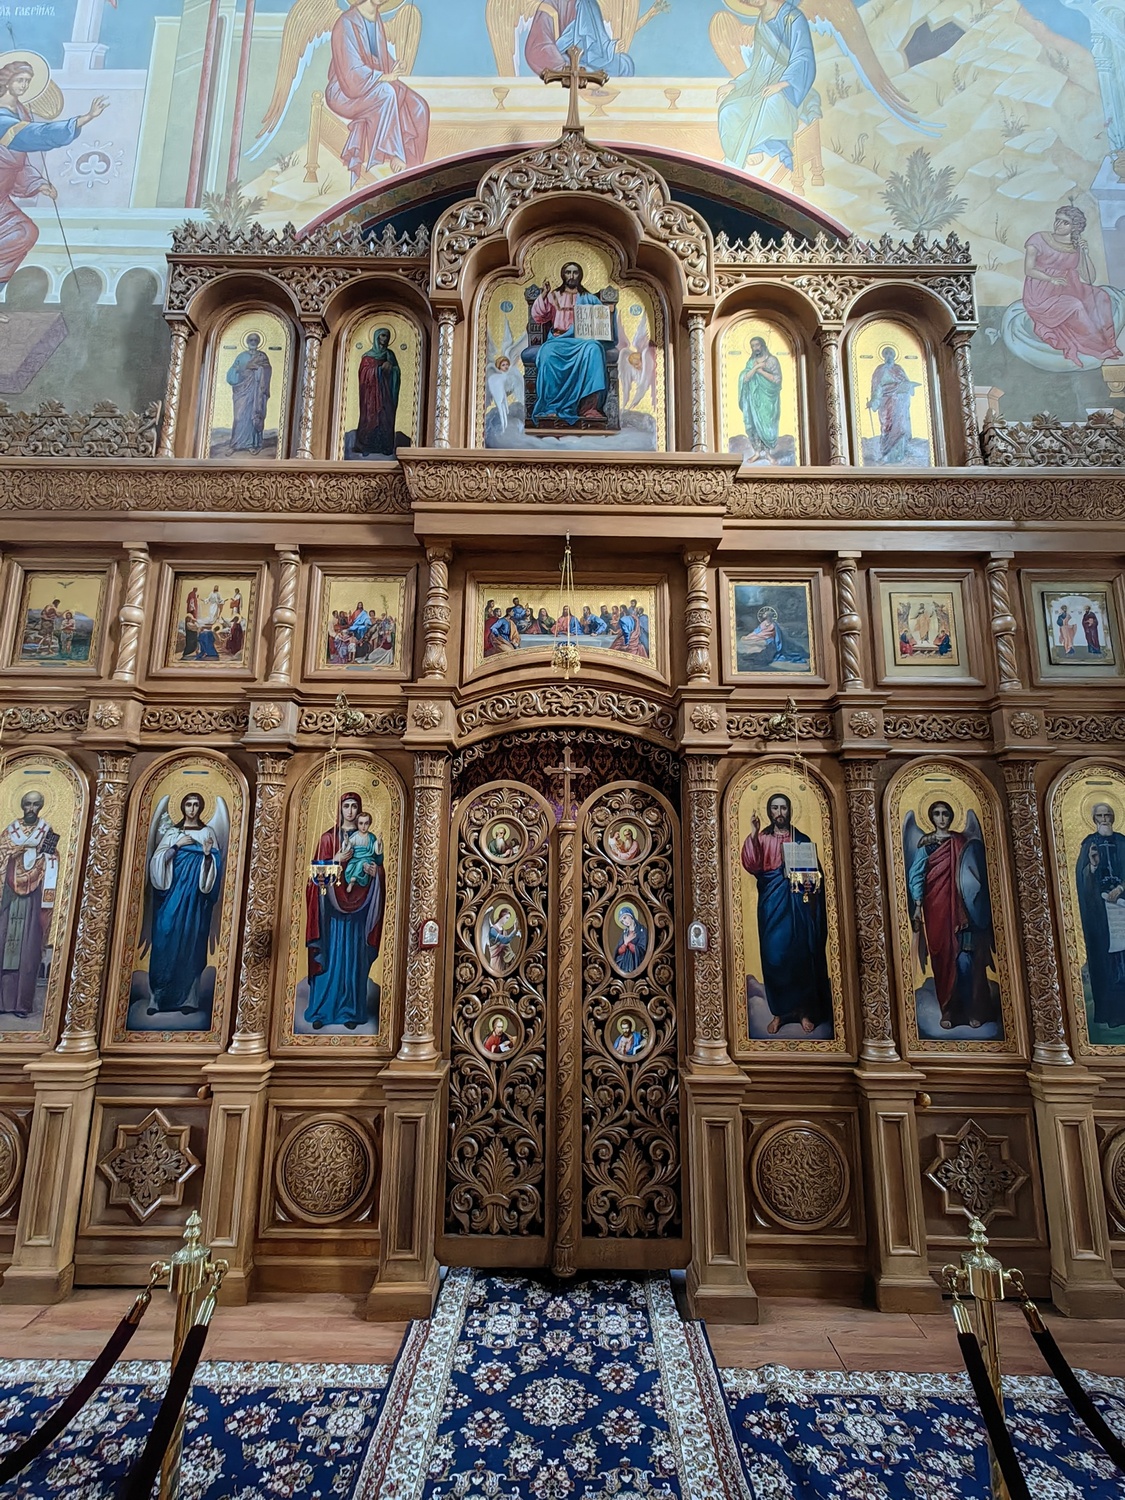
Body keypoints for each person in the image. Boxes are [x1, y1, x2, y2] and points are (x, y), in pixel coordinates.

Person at [0, 61, 107, 306]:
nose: (24, 85)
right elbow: (33, 136)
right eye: (20, 80)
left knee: (25, 232)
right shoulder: (3, 118)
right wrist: (82, 120)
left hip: (2, 197)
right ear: (7, 81)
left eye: (27, 81)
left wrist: (37, 183)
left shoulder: (20, 112)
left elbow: (17, 161)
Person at [741, 792, 832, 1034]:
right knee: (774, 955)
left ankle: (804, 1012)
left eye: (783, 808)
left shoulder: (801, 840)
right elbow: (752, 864)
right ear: (769, 812)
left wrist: (809, 881)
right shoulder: (763, 838)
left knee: (799, 954)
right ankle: (780, 1013)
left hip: (798, 907)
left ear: (790, 810)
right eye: (775, 808)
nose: (779, 813)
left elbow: (815, 875)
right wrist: (753, 833)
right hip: (772, 904)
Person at [906, 801, 999, 1031]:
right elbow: (916, 876)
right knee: (943, 960)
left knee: (967, 959)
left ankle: (974, 1010)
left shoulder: (962, 841)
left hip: (962, 911)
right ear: (931, 817)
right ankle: (949, 1010)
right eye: (937, 814)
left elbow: (974, 872)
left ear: (951, 816)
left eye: (945, 813)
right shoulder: (926, 845)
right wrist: (917, 905)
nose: (941, 818)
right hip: (936, 910)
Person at [326, 0, 429, 183]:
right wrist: (383, 76)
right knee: (387, 92)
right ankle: (395, 153)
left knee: (419, 106)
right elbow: (351, 71)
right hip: (344, 92)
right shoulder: (346, 23)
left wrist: (394, 66)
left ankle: (414, 169)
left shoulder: (376, 19)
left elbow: (378, 58)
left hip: (372, 83)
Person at [305, 794, 385, 1030]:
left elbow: (379, 866)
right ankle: (322, 1010)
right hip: (331, 914)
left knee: (353, 959)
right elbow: (313, 880)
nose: (350, 811)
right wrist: (335, 859)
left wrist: (375, 873)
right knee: (331, 958)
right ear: (339, 809)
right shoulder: (328, 838)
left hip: (358, 913)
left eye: (354, 806)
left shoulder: (368, 839)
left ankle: (352, 1010)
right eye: (346, 806)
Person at [145, 793, 224, 1017]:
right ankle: (156, 998)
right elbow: (157, 863)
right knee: (163, 940)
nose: (192, 808)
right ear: (182, 807)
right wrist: (177, 846)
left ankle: (190, 998)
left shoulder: (208, 833)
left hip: (195, 901)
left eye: (196, 804)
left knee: (192, 943)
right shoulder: (172, 833)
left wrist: (207, 856)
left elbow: (215, 866)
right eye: (188, 804)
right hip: (171, 897)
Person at [717, 0, 816, 172]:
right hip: (761, 86)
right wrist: (734, 84)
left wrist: (782, 84)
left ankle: (757, 147)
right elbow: (756, 67)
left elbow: (803, 57)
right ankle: (739, 155)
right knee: (728, 110)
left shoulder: (793, 18)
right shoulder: (761, 24)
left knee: (771, 102)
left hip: (790, 88)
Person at [1021, 206, 1122, 367]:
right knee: (1074, 305)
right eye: (1058, 220)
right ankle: (1097, 346)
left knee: (1101, 296)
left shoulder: (1076, 246)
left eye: (1065, 222)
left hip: (1069, 287)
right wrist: (1051, 279)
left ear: (1075, 227)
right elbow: (1029, 270)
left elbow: (1089, 277)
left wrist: (1085, 253)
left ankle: (1109, 343)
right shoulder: (1038, 239)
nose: (1058, 225)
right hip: (1040, 292)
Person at [0, 790, 59, 1018]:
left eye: (35, 804)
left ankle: (22, 1005)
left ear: (41, 807)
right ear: (22, 806)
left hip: (32, 901)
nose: (31, 809)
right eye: (28, 804)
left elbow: (53, 857)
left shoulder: (46, 831)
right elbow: (2, 852)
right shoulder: (10, 831)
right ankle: (2, 1002)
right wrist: (13, 854)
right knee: (3, 944)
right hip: (9, 898)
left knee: (28, 950)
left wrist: (43, 858)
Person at [530, 262, 611, 426]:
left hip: (582, 341)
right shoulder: (554, 296)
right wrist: (544, 294)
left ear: (580, 275)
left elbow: (601, 319)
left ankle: (589, 408)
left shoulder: (589, 298)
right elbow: (539, 316)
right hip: (558, 340)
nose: (572, 276)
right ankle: (551, 406)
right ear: (563, 275)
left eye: (575, 273)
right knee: (547, 353)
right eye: (568, 272)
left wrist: (608, 311)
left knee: (594, 349)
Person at [1075, 803, 1125, 1029]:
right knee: (1106, 962)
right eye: (1100, 816)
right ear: (1094, 819)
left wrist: (1121, 888)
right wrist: (1093, 866)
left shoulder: (1123, 842)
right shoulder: (1089, 844)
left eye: (1108, 815)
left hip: (1122, 909)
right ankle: (1110, 1012)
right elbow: (1082, 877)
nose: (1104, 819)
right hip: (1102, 917)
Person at [524, 0, 666, 77]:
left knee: (624, 63)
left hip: (592, 56)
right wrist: (563, 66)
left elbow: (599, 40)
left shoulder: (589, 4)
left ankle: (616, 111)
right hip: (565, 58)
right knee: (587, 74)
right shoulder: (549, 6)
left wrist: (611, 47)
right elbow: (538, 48)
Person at [355, 327, 401, 456]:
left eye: (387, 336)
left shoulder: (390, 355)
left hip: (386, 393)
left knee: (385, 417)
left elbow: (396, 371)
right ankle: (366, 446)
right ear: (376, 337)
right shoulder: (367, 356)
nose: (385, 339)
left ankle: (385, 446)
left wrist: (391, 369)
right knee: (370, 418)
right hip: (370, 395)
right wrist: (379, 370)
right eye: (383, 336)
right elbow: (363, 373)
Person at [868, 346, 918, 464]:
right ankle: (885, 453)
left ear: (894, 355)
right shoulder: (879, 370)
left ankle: (899, 455)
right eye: (886, 354)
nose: (889, 356)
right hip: (885, 402)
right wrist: (873, 401)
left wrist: (907, 387)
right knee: (886, 426)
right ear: (883, 356)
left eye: (891, 353)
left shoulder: (898, 369)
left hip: (899, 403)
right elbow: (876, 388)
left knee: (899, 427)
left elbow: (906, 383)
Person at [226, 333, 272, 454]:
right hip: (242, 390)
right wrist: (244, 368)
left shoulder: (262, 356)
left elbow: (267, 370)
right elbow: (232, 372)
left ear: (258, 342)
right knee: (238, 417)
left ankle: (252, 444)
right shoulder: (241, 356)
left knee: (254, 415)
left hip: (256, 391)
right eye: (251, 340)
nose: (253, 342)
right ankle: (235, 444)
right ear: (247, 341)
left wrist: (259, 369)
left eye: (255, 340)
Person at [738, 335, 783, 458]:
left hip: (768, 399)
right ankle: (757, 452)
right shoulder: (751, 362)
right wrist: (757, 367)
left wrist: (761, 372)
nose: (755, 348)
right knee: (753, 423)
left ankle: (768, 454)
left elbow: (776, 380)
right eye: (752, 346)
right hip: (754, 399)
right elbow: (746, 378)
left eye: (757, 345)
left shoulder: (772, 361)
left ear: (763, 345)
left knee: (768, 423)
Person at [738, 604, 808, 668]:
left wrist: (774, 640)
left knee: (768, 645)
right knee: (750, 642)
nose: (764, 616)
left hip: (770, 639)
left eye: (766, 615)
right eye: (764, 615)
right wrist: (748, 636)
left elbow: (777, 634)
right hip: (761, 637)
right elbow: (757, 632)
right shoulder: (763, 623)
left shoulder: (774, 625)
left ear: (769, 616)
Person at [342, 811, 379, 893]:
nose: (363, 826)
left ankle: (353, 880)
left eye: (366, 823)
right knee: (349, 867)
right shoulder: (355, 836)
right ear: (357, 824)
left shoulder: (372, 837)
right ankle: (351, 880)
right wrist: (346, 841)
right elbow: (348, 845)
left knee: (361, 864)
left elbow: (376, 850)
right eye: (361, 823)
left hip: (367, 858)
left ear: (369, 824)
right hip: (355, 858)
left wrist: (379, 843)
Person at [484, 904, 520, 973]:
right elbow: (505, 940)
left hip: (504, 961)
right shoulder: (492, 930)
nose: (507, 920)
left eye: (508, 919)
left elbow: (507, 947)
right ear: (502, 916)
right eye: (507, 918)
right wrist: (514, 930)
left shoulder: (504, 931)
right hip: (496, 961)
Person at [614, 905, 647, 973]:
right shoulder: (625, 933)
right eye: (622, 921)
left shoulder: (642, 930)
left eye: (625, 918)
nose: (624, 922)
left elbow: (642, 950)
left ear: (630, 915)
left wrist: (628, 943)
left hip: (636, 963)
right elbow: (619, 952)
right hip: (624, 964)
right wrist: (625, 943)